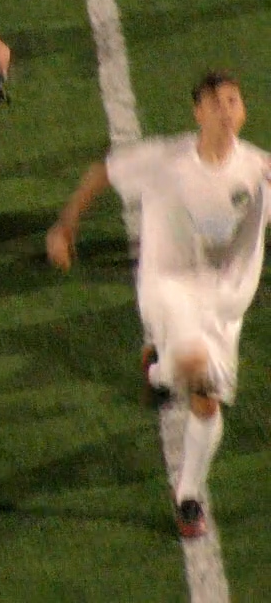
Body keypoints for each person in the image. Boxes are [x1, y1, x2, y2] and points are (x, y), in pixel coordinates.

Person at [46, 72, 267, 539]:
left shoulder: (258, 170)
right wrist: (65, 226)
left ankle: (159, 372)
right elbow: (104, 173)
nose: (226, 111)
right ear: (198, 112)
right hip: (168, 290)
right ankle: (188, 495)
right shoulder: (165, 161)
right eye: (215, 103)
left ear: (244, 111)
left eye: (233, 101)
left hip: (223, 304)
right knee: (202, 386)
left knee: (198, 391)